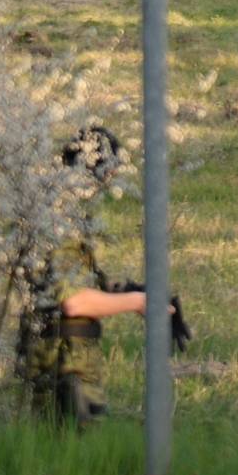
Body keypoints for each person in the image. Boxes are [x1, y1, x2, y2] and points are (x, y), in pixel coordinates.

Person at [16, 126, 139, 426]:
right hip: (68, 370)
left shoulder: (53, 208)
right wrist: (138, 301)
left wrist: (123, 289)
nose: (110, 182)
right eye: (109, 173)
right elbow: (75, 302)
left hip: (58, 364)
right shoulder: (65, 221)